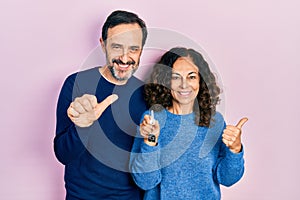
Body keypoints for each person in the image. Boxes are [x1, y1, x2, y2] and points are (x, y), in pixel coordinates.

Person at [130, 47, 248, 199]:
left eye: (191, 77)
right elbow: (145, 182)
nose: (184, 85)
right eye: (176, 77)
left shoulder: (215, 122)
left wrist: (235, 150)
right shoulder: (152, 119)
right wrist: (151, 142)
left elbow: (227, 178)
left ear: (201, 80)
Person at [54, 10, 148, 199]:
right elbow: (63, 154)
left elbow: (147, 161)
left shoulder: (146, 95)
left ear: (141, 51)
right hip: (81, 196)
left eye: (133, 49)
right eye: (116, 47)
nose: (124, 57)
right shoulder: (76, 84)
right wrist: (82, 127)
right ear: (103, 45)